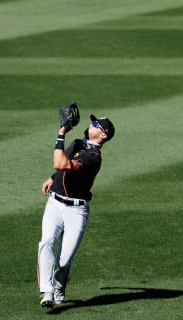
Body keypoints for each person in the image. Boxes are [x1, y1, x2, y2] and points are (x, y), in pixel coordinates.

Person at [37, 114, 115, 308]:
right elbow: (62, 165)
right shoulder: (79, 143)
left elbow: (60, 163)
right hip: (55, 203)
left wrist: (61, 132)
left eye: (96, 124)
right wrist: (52, 178)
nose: (91, 124)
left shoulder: (93, 158)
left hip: (77, 211)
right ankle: (47, 291)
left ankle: (60, 283)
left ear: (103, 135)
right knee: (46, 242)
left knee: (64, 261)